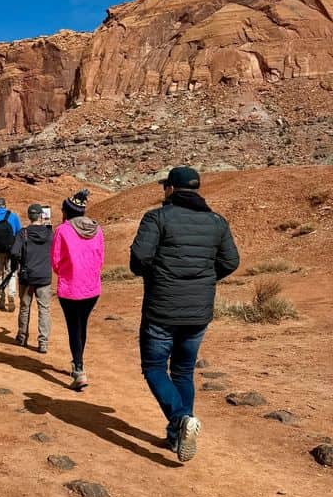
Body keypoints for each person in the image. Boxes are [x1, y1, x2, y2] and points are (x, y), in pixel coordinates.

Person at [130, 166, 239, 463]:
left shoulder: (157, 217)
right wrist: (204, 280)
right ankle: (178, 434)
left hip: (161, 309)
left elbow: (139, 258)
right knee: (182, 371)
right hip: (198, 312)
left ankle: (180, 419)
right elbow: (231, 261)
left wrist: (158, 276)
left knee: (154, 367)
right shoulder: (217, 222)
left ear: (171, 189)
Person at [51, 189, 104, 390]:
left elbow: (55, 262)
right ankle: (78, 362)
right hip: (92, 288)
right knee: (82, 325)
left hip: (70, 287)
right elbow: (100, 259)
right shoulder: (97, 229)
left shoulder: (62, 230)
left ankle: (79, 370)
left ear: (68, 211)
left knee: (74, 326)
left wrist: (67, 271)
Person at [9, 203, 53, 353]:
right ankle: (43, 343)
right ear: (41, 215)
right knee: (44, 310)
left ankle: (22, 338)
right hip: (44, 277)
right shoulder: (49, 233)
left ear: (29, 216)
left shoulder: (23, 233)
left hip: (27, 276)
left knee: (24, 307)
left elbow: (14, 252)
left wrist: (19, 264)